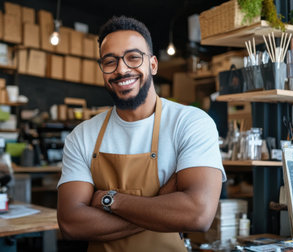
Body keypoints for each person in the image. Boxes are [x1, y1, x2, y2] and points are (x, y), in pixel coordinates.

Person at [57, 16, 226, 252]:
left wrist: (108, 200)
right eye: (110, 61)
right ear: (102, 69)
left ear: (153, 64)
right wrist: (160, 204)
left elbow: (198, 214)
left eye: (133, 57)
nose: (122, 69)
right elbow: (71, 224)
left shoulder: (190, 123)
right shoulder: (82, 135)